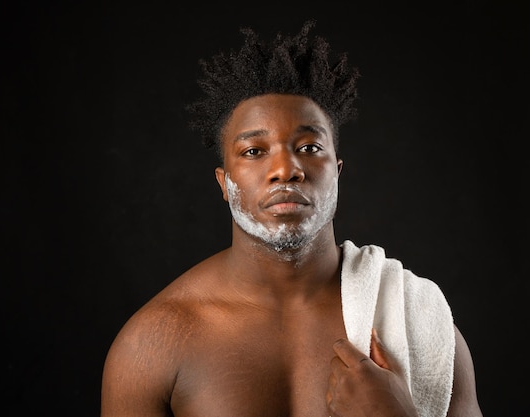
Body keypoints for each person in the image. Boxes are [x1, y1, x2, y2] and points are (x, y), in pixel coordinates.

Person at [100, 19, 483, 417]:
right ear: (224, 181)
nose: (286, 168)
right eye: (253, 151)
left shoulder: (419, 322)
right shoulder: (153, 343)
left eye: (309, 146)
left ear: (337, 170)